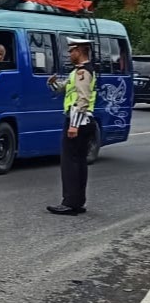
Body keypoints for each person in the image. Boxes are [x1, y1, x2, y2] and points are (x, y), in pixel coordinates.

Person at [46, 37, 97, 215]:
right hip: (82, 121)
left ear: (80, 51)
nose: (69, 54)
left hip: (78, 120)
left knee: (70, 163)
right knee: (79, 162)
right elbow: (63, 89)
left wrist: (73, 125)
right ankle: (77, 202)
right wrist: (52, 83)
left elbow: (82, 100)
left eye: (71, 50)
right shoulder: (77, 72)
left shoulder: (83, 72)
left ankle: (69, 203)